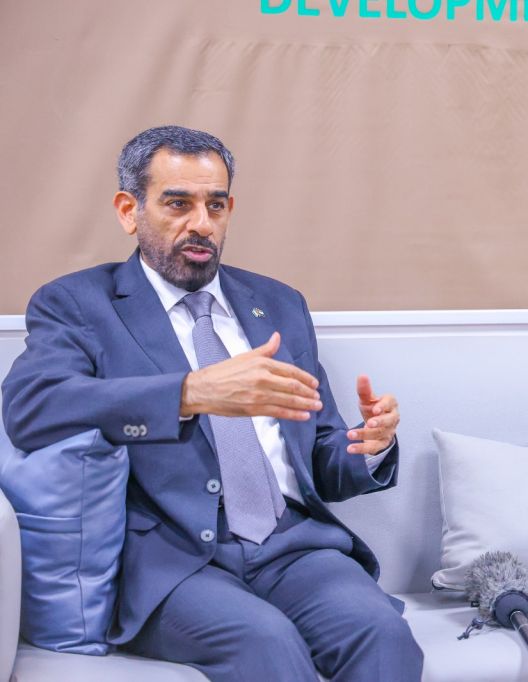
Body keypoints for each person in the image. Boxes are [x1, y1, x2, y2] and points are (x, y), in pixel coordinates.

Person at [1, 126, 423, 681]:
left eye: (215, 204)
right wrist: (190, 393)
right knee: (266, 646)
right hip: (173, 562)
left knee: (384, 635)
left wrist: (368, 449)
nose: (201, 223)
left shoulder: (278, 304)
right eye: (177, 203)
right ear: (130, 211)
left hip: (294, 549)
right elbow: (33, 409)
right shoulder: (80, 303)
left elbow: (319, 454)